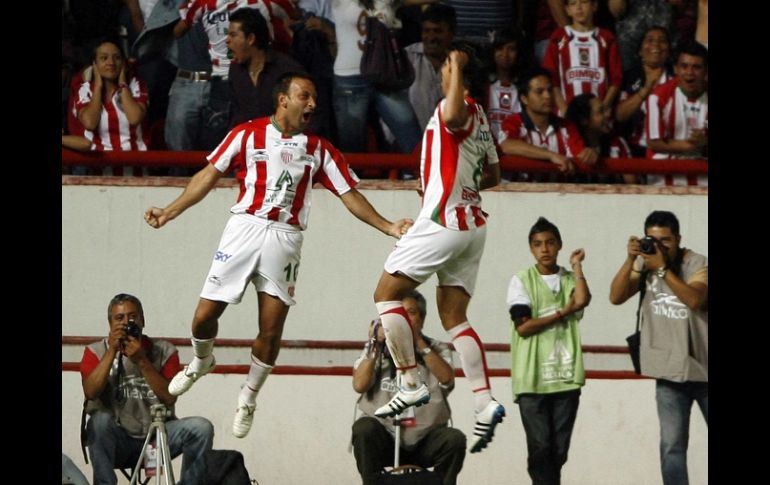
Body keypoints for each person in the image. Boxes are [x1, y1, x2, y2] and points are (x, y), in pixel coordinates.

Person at [144, 72, 412, 440]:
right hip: (244, 228)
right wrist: (169, 211)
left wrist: (387, 226)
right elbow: (207, 175)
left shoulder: (319, 148)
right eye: (306, 95)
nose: (313, 104)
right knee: (204, 318)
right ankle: (202, 360)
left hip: (285, 238)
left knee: (270, 328)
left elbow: (349, 194)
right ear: (283, 99)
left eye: (315, 98)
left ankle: (249, 397)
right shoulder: (246, 133)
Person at [371, 42, 505, 454]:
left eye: (447, 64)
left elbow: (450, 113)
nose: (442, 69)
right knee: (454, 317)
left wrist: (458, 68)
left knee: (385, 296)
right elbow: (494, 175)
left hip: (443, 223)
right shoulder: (480, 117)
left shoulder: (458, 108)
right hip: (470, 224)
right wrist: (442, 187)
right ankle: (484, 400)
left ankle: (410, 382)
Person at [609, 210, 707, 485]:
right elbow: (615, 296)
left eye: (666, 241)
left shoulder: (699, 264)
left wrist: (662, 269)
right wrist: (630, 260)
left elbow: (695, 299)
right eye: (653, 240)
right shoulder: (644, 265)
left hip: (704, 369)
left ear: (678, 239)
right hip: (669, 372)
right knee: (671, 447)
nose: (659, 247)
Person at [80, 293, 214, 485]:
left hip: (158, 437)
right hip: (118, 441)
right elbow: (90, 392)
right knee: (98, 422)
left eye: (132, 316)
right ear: (110, 324)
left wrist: (142, 360)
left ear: (143, 320)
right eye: (119, 318)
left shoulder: (164, 350)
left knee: (201, 428)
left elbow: (169, 397)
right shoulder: (95, 351)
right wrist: (112, 351)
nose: (127, 322)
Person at [506, 217, 591, 485]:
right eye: (538, 244)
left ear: (559, 246)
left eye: (550, 243)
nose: (544, 249)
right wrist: (561, 313)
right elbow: (523, 326)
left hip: (564, 376)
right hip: (531, 379)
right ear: (531, 249)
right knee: (540, 447)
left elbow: (582, 300)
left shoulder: (568, 279)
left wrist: (577, 267)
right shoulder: (521, 281)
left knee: (559, 451)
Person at [351, 290, 466, 485]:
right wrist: (375, 345)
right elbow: (359, 385)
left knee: (454, 439)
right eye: (398, 313)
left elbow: (447, 379)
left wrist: (419, 342)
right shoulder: (376, 348)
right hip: (386, 437)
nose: (402, 318)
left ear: (421, 319)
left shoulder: (437, 348)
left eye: (410, 313)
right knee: (364, 428)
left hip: (425, 439)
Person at [542, 0, 622, 116]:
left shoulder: (606, 38)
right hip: (567, 114)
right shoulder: (559, 37)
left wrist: (603, 107)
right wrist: (564, 109)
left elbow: (616, 79)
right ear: (567, 10)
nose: (579, 7)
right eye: (573, 3)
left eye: (584, 2)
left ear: (594, 6)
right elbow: (551, 78)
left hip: (598, 115)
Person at [645, 41, 708, 186]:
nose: (689, 73)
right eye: (684, 66)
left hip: (702, 171)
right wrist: (692, 145)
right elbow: (654, 142)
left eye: (696, 67)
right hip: (665, 172)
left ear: (706, 71)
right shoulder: (658, 96)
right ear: (675, 69)